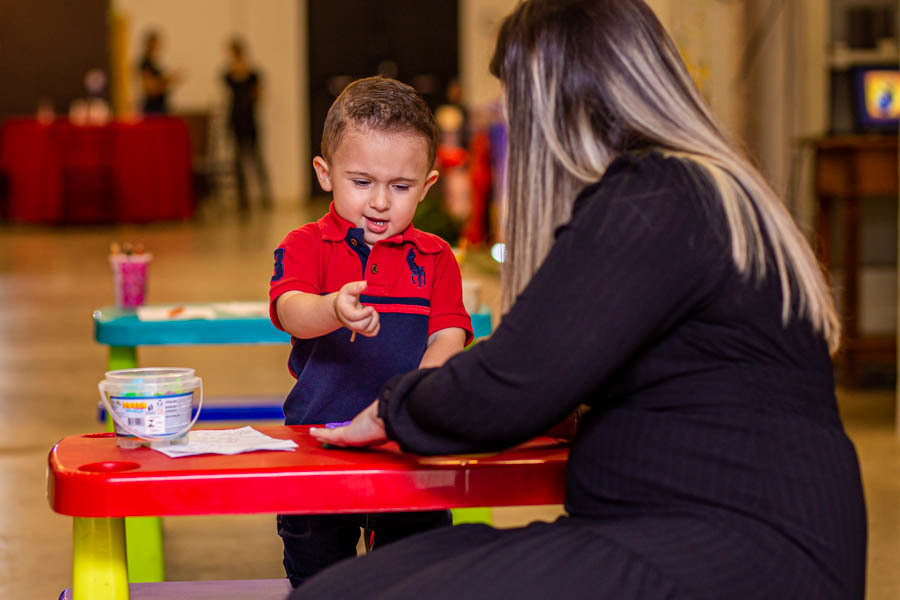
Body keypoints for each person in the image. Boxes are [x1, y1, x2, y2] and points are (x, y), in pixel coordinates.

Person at [296, 1, 867, 598]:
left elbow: (514, 383)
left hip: (725, 548)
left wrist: (391, 410)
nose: (508, 119)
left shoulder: (651, 200)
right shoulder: (691, 189)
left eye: (514, 98)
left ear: (558, 100)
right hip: (704, 531)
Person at [269, 76, 474, 588]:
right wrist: (332, 309)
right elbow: (290, 310)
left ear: (426, 186)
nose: (380, 202)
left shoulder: (437, 258)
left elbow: (448, 337)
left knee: (412, 578)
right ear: (325, 174)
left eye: (400, 187)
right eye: (361, 182)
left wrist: (412, 403)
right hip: (318, 441)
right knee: (319, 579)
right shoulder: (305, 245)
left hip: (408, 446)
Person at [223, 37, 273, 210]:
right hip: (236, 119)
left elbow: (257, 95)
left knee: (256, 159)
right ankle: (242, 200)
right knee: (238, 162)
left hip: (249, 120)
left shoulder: (252, 74)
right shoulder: (228, 75)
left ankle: (265, 196)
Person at [138, 29, 180, 115]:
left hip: (161, 106)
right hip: (153, 109)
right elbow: (150, 89)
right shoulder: (145, 63)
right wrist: (167, 80)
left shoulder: (154, 63)